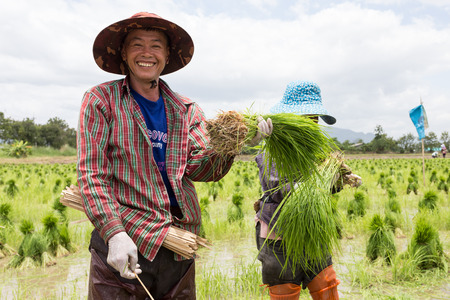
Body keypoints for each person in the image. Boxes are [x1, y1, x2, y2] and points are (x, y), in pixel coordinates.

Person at [77, 12, 271, 299]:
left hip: (177, 249)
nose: (147, 53)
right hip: (124, 242)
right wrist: (114, 233)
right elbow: (92, 175)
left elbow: (201, 170)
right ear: (124, 53)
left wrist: (233, 142)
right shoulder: (101, 100)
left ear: (167, 55)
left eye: (156, 45)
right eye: (137, 45)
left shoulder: (186, 109)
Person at [254, 81, 361, 300]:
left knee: (326, 284)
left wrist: (343, 180)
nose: (311, 122)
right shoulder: (272, 147)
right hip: (279, 234)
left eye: (314, 117)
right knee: (285, 292)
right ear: (289, 116)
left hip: (312, 227)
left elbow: (323, 187)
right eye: (306, 116)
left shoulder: (314, 148)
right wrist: (316, 182)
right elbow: (279, 188)